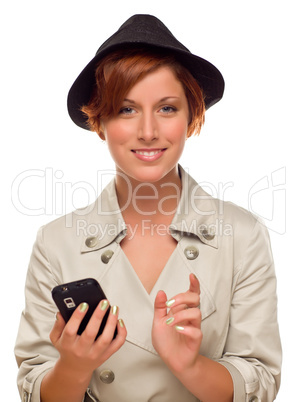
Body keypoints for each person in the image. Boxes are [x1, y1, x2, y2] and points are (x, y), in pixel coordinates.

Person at [15, 14, 282, 402]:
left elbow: (260, 379)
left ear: (191, 115)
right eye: (126, 109)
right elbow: (34, 386)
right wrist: (73, 367)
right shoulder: (55, 242)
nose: (148, 131)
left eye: (167, 108)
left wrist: (189, 365)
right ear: (100, 121)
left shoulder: (243, 234)